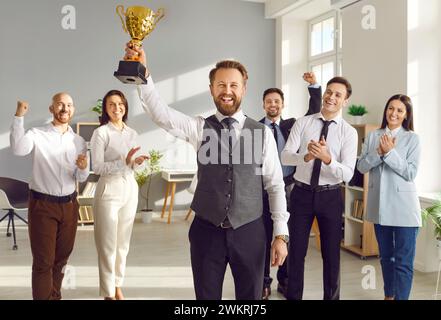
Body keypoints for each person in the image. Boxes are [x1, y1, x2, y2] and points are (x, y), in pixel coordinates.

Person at [125, 44, 289, 300]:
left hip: (250, 231)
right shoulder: (199, 128)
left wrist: (280, 234)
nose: (227, 91)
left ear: (244, 89)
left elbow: (275, 185)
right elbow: (161, 114)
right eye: (221, 85)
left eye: (234, 85)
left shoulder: (263, 133)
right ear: (212, 89)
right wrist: (143, 74)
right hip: (206, 231)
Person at [281, 77, 358, 300]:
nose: (331, 97)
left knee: (331, 256)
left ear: (345, 101)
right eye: (329, 92)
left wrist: (327, 159)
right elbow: (285, 156)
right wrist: (305, 156)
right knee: (296, 253)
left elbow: (347, 173)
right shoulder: (303, 123)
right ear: (324, 93)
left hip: (330, 196)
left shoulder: (348, 132)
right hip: (301, 195)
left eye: (338, 95)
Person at [10, 94, 89, 300]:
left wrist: (83, 168)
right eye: (60, 104)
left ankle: (54, 297)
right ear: (51, 108)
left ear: (73, 109)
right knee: (44, 262)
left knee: (61, 260)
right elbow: (18, 149)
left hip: (70, 205)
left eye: (70, 105)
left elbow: (80, 176)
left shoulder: (78, 141)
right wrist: (19, 116)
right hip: (43, 205)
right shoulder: (37, 134)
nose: (65, 108)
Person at [259, 73, 322, 299]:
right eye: (269, 101)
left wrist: (314, 86)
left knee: (286, 236)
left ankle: (285, 280)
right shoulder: (254, 128)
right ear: (264, 105)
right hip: (264, 190)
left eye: (277, 101)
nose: (273, 104)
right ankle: (264, 282)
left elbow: (314, 112)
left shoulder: (292, 125)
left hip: (290, 188)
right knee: (265, 237)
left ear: (282, 104)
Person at [357, 94, 420, 300]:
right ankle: (389, 295)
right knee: (386, 258)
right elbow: (362, 166)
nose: (393, 113)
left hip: (404, 210)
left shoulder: (412, 138)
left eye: (399, 110)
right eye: (390, 108)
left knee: (403, 262)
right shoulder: (374, 135)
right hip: (380, 208)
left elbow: (410, 173)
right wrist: (380, 154)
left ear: (406, 115)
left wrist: (390, 154)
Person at [90, 89, 148, 300]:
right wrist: (122, 162)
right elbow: (96, 167)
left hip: (129, 189)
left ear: (125, 106)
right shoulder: (101, 133)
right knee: (107, 245)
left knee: (123, 245)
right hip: (108, 190)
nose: (117, 108)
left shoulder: (132, 133)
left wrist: (136, 162)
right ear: (106, 109)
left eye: (120, 104)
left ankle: (117, 286)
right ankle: (107, 293)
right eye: (111, 104)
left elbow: (133, 167)